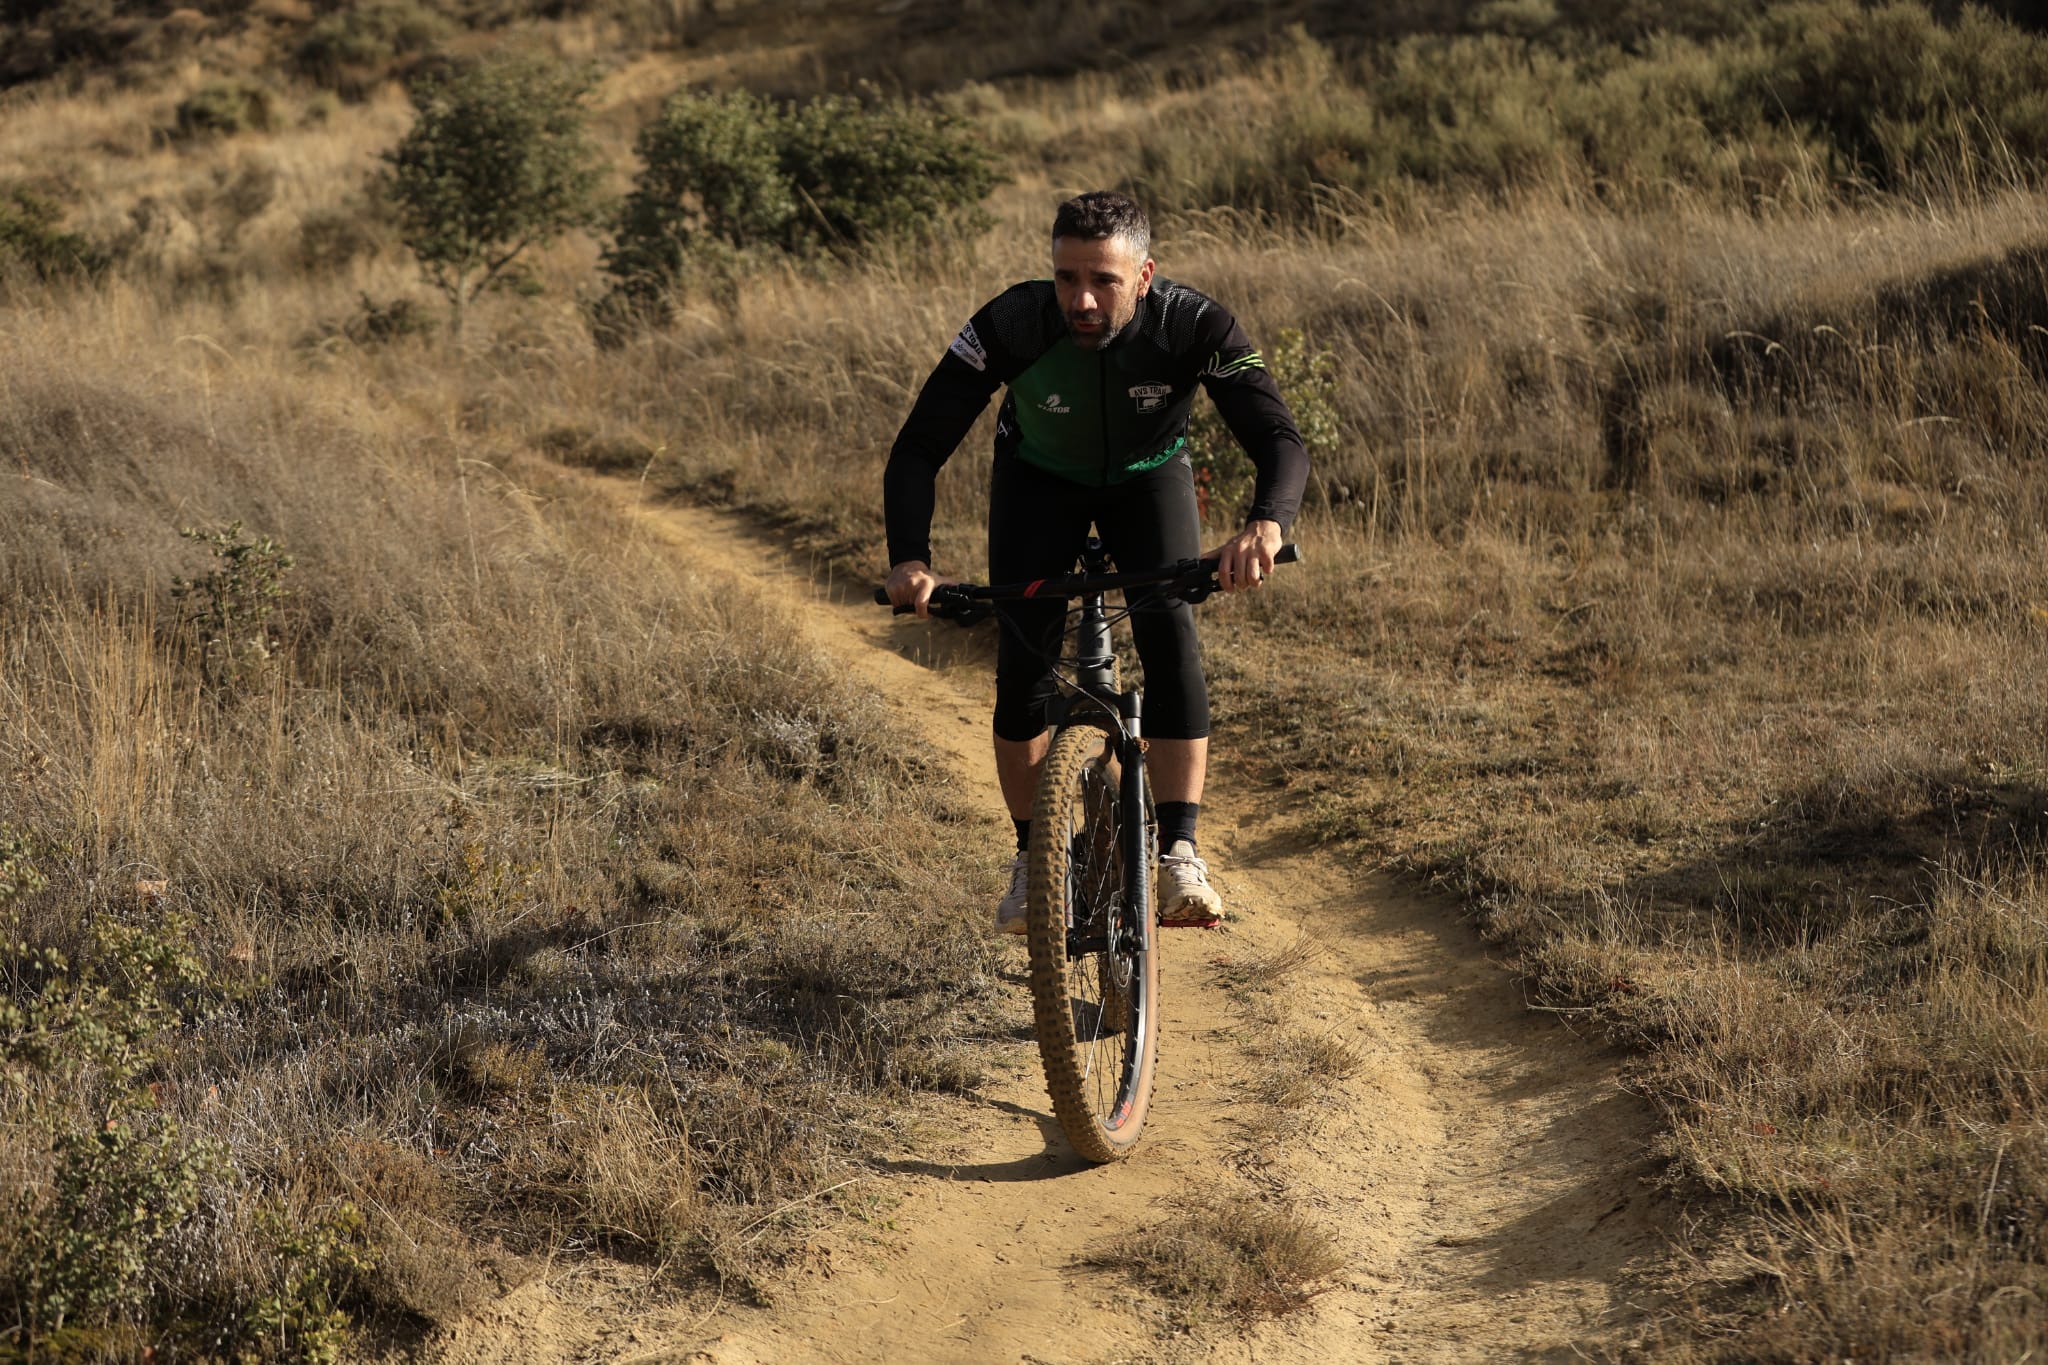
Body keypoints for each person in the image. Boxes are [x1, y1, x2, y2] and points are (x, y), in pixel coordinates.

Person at [883, 190, 1309, 934]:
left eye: (1103, 280)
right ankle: (1030, 860)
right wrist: (910, 559)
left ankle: (1180, 852)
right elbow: (920, 445)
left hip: (1149, 475)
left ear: (1144, 276)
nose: (1081, 299)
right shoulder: (1013, 322)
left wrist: (1265, 527)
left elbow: (1279, 438)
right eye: (1066, 277)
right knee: (1022, 661)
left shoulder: (1192, 323)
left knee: (1169, 631)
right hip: (1037, 478)